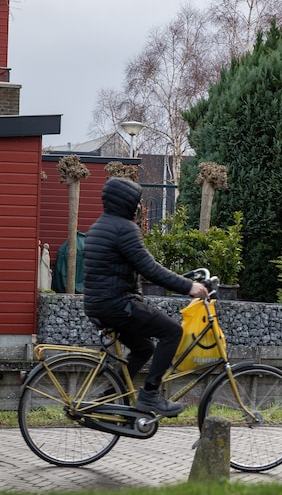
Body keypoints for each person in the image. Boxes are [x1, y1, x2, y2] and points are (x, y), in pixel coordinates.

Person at [83, 176, 208, 417]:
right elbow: (150, 269)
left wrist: (181, 281)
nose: (139, 207)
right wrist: (189, 287)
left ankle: (109, 399)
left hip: (100, 303)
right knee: (172, 332)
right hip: (117, 304)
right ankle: (150, 395)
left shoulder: (100, 226)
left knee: (143, 347)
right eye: (136, 202)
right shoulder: (124, 229)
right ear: (126, 203)